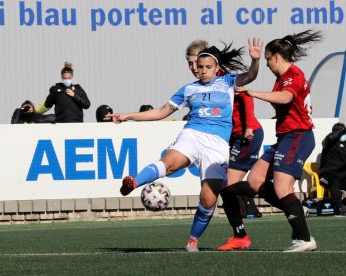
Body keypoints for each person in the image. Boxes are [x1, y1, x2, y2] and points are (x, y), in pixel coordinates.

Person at [108, 38, 263, 252]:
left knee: (208, 197)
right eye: (199, 67)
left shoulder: (228, 81)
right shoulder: (189, 89)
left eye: (208, 67)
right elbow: (162, 112)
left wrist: (255, 60)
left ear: (217, 67)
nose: (202, 71)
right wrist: (128, 116)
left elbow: (251, 75)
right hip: (192, 134)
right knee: (170, 162)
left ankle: (192, 239)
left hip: (217, 144)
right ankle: (134, 181)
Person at [225, 30, 323, 252]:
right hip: (286, 137)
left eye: (268, 60)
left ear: (276, 57)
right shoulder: (282, 78)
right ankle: (296, 209)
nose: (268, 65)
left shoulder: (292, 76)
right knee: (255, 180)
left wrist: (253, 93)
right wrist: (255, 60)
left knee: (281, 186)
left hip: (298, 135)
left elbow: (286, 97)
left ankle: (304, 239)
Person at [185, 39, 264, 251]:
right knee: (223, 186)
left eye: (196, 62)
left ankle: (274, 191)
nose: (194, 68)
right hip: (230, 136)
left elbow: (246, 97)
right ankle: (239, 234)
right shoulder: (202, 84)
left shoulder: (222, 79)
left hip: (246, 134)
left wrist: (247, 125)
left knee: (226, 184)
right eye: (190, 64)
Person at [319, 122, 346, 216]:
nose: (343, 135)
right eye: (341, 132)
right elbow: (331, 137)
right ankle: (340, 208)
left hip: (341, 177)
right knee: (334, 181)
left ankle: (342, 203)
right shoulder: (328, 142)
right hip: (326, 177)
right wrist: (343, 129)